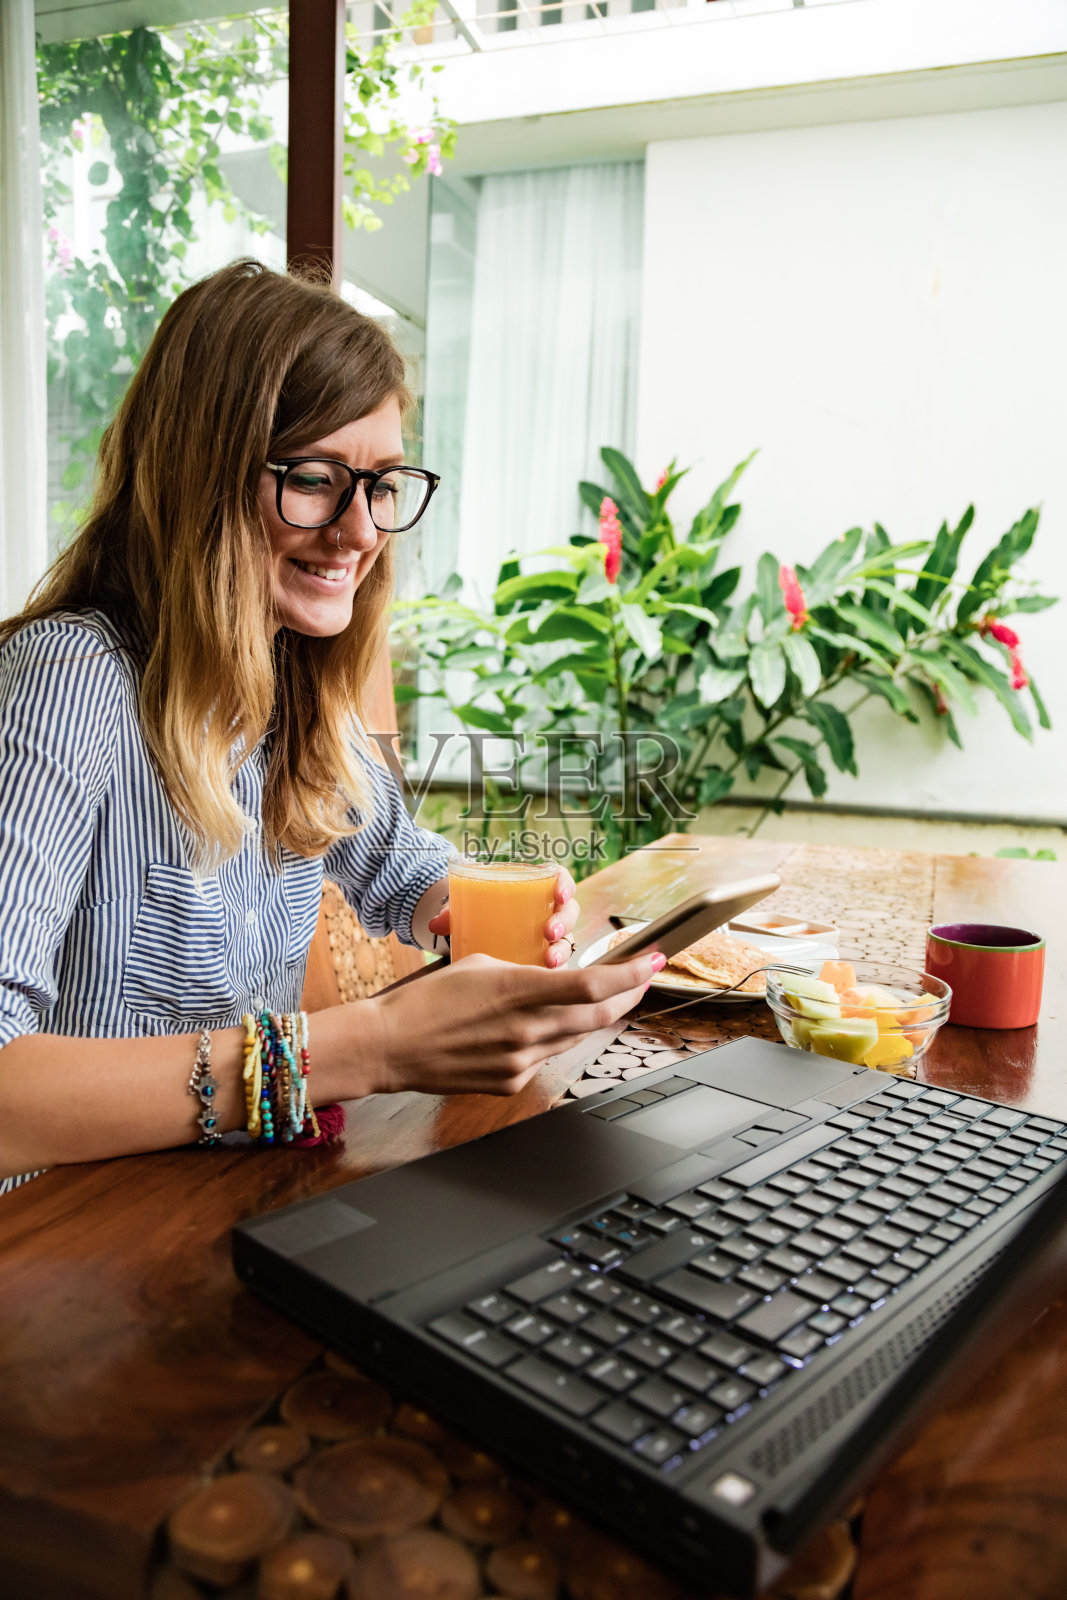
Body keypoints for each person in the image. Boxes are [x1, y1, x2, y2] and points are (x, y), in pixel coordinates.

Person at [0, 261, 659, 1195]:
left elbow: (400, 864)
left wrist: (493, 909)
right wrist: (371, 1048)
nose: (360, 532)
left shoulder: (290, 684)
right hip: (62, 1245)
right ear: (200, 476)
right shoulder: (71, 681)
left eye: (383, 485)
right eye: (314, 479)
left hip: (220, 1201)